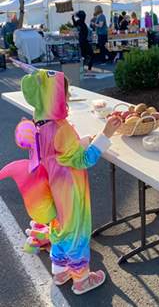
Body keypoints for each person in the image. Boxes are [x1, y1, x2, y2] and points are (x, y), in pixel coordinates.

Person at [0, 60, 121, 295]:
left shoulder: (41, 123)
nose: (66, 97)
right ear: (55, 97)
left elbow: (61, 153)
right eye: (64, 93)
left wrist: (87, 139)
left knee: (58, 227)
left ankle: (61, 272)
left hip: (52, 188)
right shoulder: (61, 128)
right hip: (71, 190)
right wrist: (106, 135)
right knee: (76, 231)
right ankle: (82, 280)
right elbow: (83, 160)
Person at [72, 10, 95, 77]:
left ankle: (81, 72)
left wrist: (73, 17)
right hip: (85, 41)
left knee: (83, 57)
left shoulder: (79, 23)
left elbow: (74, 24)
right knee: (91, 55)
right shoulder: (81, 22)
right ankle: (89, 71)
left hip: (81, 41)